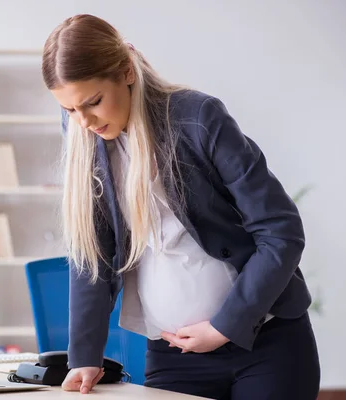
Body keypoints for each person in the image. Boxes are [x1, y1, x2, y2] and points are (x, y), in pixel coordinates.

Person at [41, 13, 320, 400]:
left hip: (267, 346)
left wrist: (226, 325)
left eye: (93, 102)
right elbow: (92, 253)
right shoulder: (86, 137)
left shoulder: (198, 118)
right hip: (173, 356)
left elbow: (281, 232)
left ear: (126, 72)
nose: (83, 122)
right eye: (69, 110)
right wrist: (85, 357)